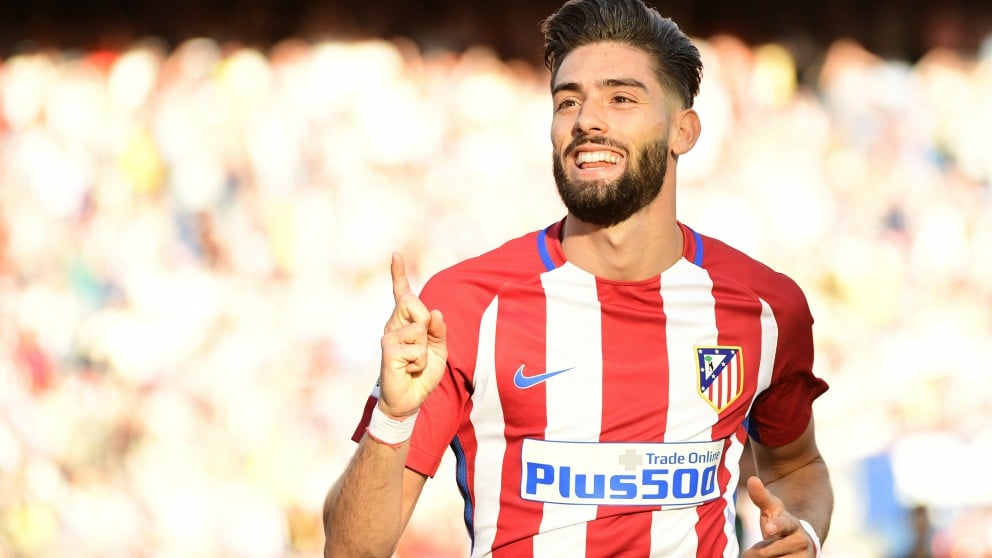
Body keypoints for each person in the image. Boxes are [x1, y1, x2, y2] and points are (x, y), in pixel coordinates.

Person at [323, 0, 833, 556]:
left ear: (683, 131)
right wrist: (394, 418)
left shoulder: (764, 307)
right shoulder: (465, 308)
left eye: (621, 98)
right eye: (569, 100)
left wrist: (801, 529)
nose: (587, 119)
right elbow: (352, 549)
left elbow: (796, 464)